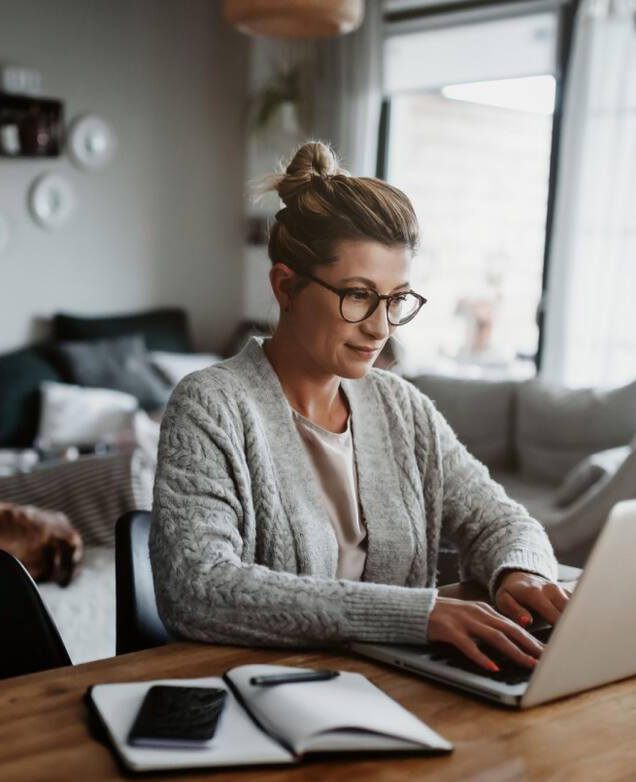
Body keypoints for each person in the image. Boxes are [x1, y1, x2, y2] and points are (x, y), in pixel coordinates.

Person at [149, 141, 570, 673]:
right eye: (358, 295)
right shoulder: (212, 406)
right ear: (286, 286)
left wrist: (520, 572)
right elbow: (198, 588)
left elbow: (501, 522)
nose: (381, 326)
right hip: (266, 694)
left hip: (401, 686)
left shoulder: (402, 406)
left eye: (396, 299)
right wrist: (419, 615)